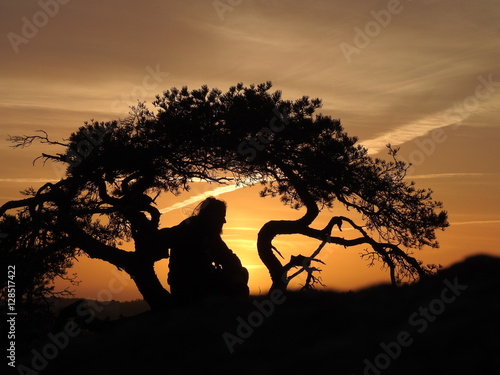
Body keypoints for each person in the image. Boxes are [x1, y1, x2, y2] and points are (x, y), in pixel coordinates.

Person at [159, 197, 249, 303]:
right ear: (212, 216)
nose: (224, 221)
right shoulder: (198, 231)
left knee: (240, 273)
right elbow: (228, 260)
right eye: (221, 216)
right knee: (240, 276)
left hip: (188, 285)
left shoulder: (200, 229)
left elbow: (228, 258)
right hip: (192, 287)